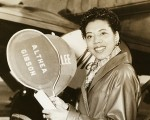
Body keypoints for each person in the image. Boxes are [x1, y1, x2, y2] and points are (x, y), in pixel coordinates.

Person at [42, 7, 141, 120]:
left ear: (116, 36)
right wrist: (67, 109)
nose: (96, 41)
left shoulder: (123, 73)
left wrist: (69, 117)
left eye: (103, 33)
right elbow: (92, 115)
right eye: (90, 36)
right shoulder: (95, 71)